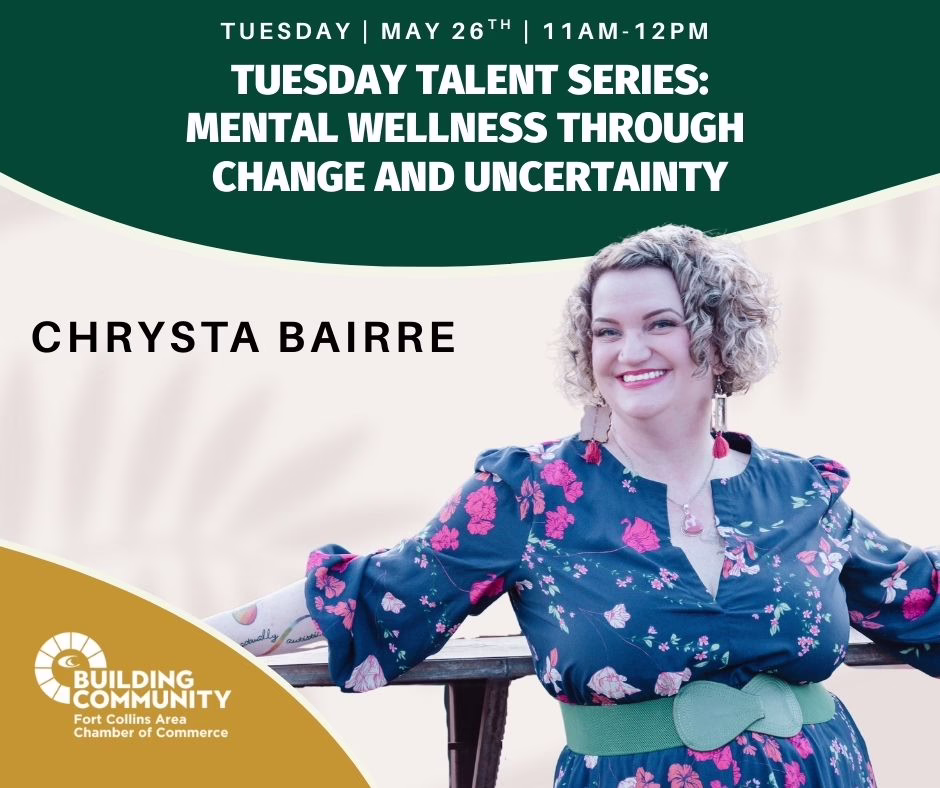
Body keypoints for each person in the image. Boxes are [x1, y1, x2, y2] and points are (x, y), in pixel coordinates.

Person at [208, 225, 940, 787]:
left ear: (715, 341)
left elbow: (922, 600)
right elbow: (380, 593)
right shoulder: (530, 493)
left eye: (661, 323)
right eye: (607, 331)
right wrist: (176, 639)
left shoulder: (803, 493)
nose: (630, 350)